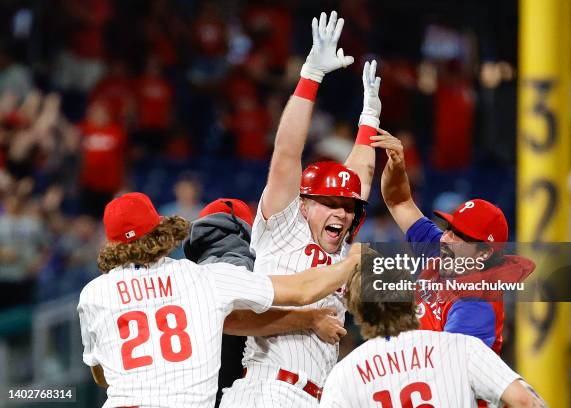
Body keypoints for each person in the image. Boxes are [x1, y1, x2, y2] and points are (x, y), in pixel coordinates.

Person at [219, 10, 383, 407]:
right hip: (269, 388)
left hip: (315, 395)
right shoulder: (284, 225)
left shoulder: (343, 250)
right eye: (329, 204)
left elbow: (358, 175)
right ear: (306, 204)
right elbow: (287, 152)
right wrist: (311, 76)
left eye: (346, 208)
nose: (341, 214)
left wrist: (369, 119)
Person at [77, 192, 361, 408]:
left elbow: (101, 376)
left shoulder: (93, 294)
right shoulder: (202, 278)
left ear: (111, 243)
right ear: (160, 231)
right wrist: (352, 264)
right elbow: (302, 291)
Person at [375, 131, 534, 354]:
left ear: (484, 253)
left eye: (460, 235)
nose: (447, 238)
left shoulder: (476, 303)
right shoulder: (442, 251)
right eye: (449, 228)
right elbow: (399, 201)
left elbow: (445, 370)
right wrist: (397, 165)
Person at [319, 256, 547, 407]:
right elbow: (525, 402)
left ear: (357, 310)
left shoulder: (343, 375)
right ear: (412, 296)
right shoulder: (461, 347)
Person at [183, 198, 347, 407]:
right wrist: (311, 319)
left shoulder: (184, 274)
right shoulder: (238, 262)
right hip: (255, 391)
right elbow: (232, 319)